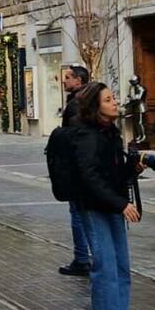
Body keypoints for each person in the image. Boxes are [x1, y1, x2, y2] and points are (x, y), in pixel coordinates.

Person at [70, 81, 143, 310]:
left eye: (114, 98)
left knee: (122, 267)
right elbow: (89, 178)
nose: (115, 103)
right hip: (94, 207)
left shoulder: (111, 133)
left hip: (113, 206)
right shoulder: (86, 136)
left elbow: (114, 176)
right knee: (105, 269)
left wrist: (133, 167)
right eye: (109, 99)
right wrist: (120, 203)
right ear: (95, 107)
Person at [59, 65, 93, 277]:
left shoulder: (76, 104)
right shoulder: (88, 100)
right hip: (86, 165)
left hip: (79, 167)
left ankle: (82, 258)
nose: (64, 80)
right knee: (84, 213)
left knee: (79, 214)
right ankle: (87, 257)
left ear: (79, 81)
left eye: (68, 77)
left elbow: (73, 136)